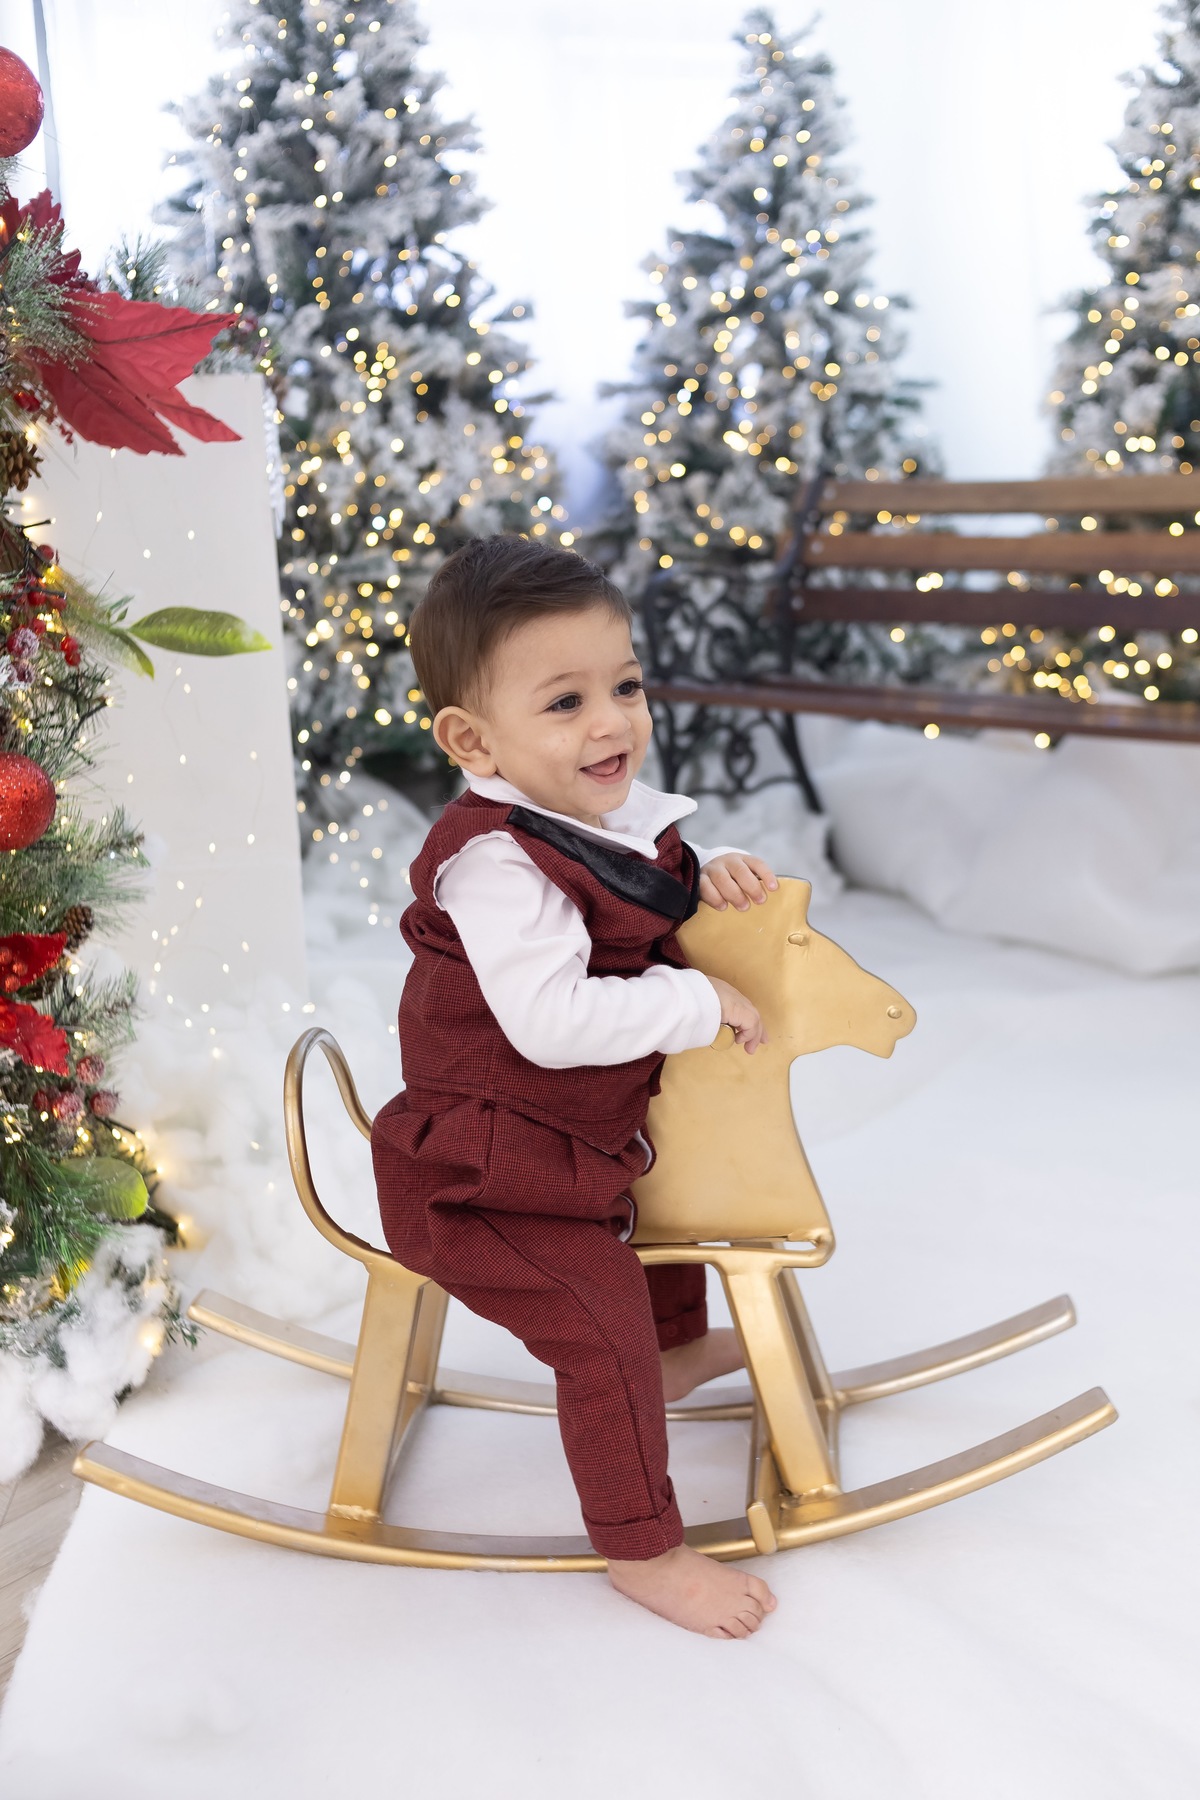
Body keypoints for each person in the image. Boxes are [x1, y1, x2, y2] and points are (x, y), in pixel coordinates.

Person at [372, 534, 779, 1638]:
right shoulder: (498, 863)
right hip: (475, 1178)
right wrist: (696, 1005)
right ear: (474, 739)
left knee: (670, 1207)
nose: (612, 723)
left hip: (563, 1152)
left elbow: (646, 886)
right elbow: (550, 1024)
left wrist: (718, 873)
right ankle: (642, 1546)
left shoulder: (592, 817)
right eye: (565, 703)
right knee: (597, 1320)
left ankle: (673, 1350)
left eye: (625, 685)